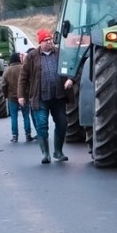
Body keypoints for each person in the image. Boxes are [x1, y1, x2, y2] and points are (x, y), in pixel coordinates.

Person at [18, 28, 73, 164]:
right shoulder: (32, 56)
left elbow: (71, 68)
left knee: (62, 123)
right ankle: (45, 154)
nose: (49, 42)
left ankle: (58, 152)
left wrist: (70, 79)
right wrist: (21, 95)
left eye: (50, 40)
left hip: (58, 96)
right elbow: (23, 77)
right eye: (46, 40)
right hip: (40, 98)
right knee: (42, 125)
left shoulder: (60, 53)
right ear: (40, 43)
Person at [3, 51, 35, 143]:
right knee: (26, 116)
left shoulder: (7, 70)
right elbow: (29, 81)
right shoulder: (23, 68)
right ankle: (28, 135)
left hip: (12, 97)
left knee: (14, 117)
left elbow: (3, 85)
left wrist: (6, 95)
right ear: (18, 59)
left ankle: (15, 136)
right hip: (24, 96)